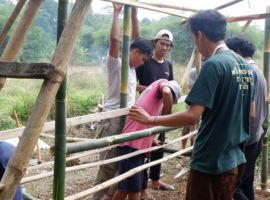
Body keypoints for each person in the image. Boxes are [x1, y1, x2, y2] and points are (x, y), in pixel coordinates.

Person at [129, 9, 257, 200]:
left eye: (194, 39)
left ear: (200, 35)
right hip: (235, 160)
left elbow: (192, 115)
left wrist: (151, 119)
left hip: (210, 161)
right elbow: (251, 113)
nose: (196, 44)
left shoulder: (213, 65)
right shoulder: (247, 67)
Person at [92, 3, 154, 200]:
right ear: (134, 53)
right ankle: (97, 198)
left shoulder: (134, 69)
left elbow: (137, 39)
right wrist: (117, 11)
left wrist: (135, 12)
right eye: (143, 59)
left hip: (126, 122)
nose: (143, 63)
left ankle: (108, 198)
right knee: (108, 167)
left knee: (121, 166)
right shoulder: (115, 64)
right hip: (111, 121)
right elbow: (116, 39)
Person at [112, 79, 181, 200]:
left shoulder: (153, 97)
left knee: (134, 189)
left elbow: (144, 125)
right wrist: (170, 116)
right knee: (125, 189)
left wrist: (150, 140)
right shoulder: (163, 83)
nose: (167, 103)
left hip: (135, 144)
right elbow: (167, 93)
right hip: (131, 144)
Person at [226, 35, 267, 200]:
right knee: (247, 184)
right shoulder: (257, 70)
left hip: (246, 138)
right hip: (255, 136)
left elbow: (243, 111)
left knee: (234, 189)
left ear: (237, 51)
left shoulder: (244, 72)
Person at [136, 29, 175, 198]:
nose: (164, 47)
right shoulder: (145, 62)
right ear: (154, 43)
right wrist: (153, 90)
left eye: (167, 45)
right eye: (161, 43)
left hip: (163, 112)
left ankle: (155, 179)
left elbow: (171, 86)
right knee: (145, 147)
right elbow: (133, 85)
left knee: (159, 145)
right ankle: (142, 187)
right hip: (146, 112)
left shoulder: (168, 65)